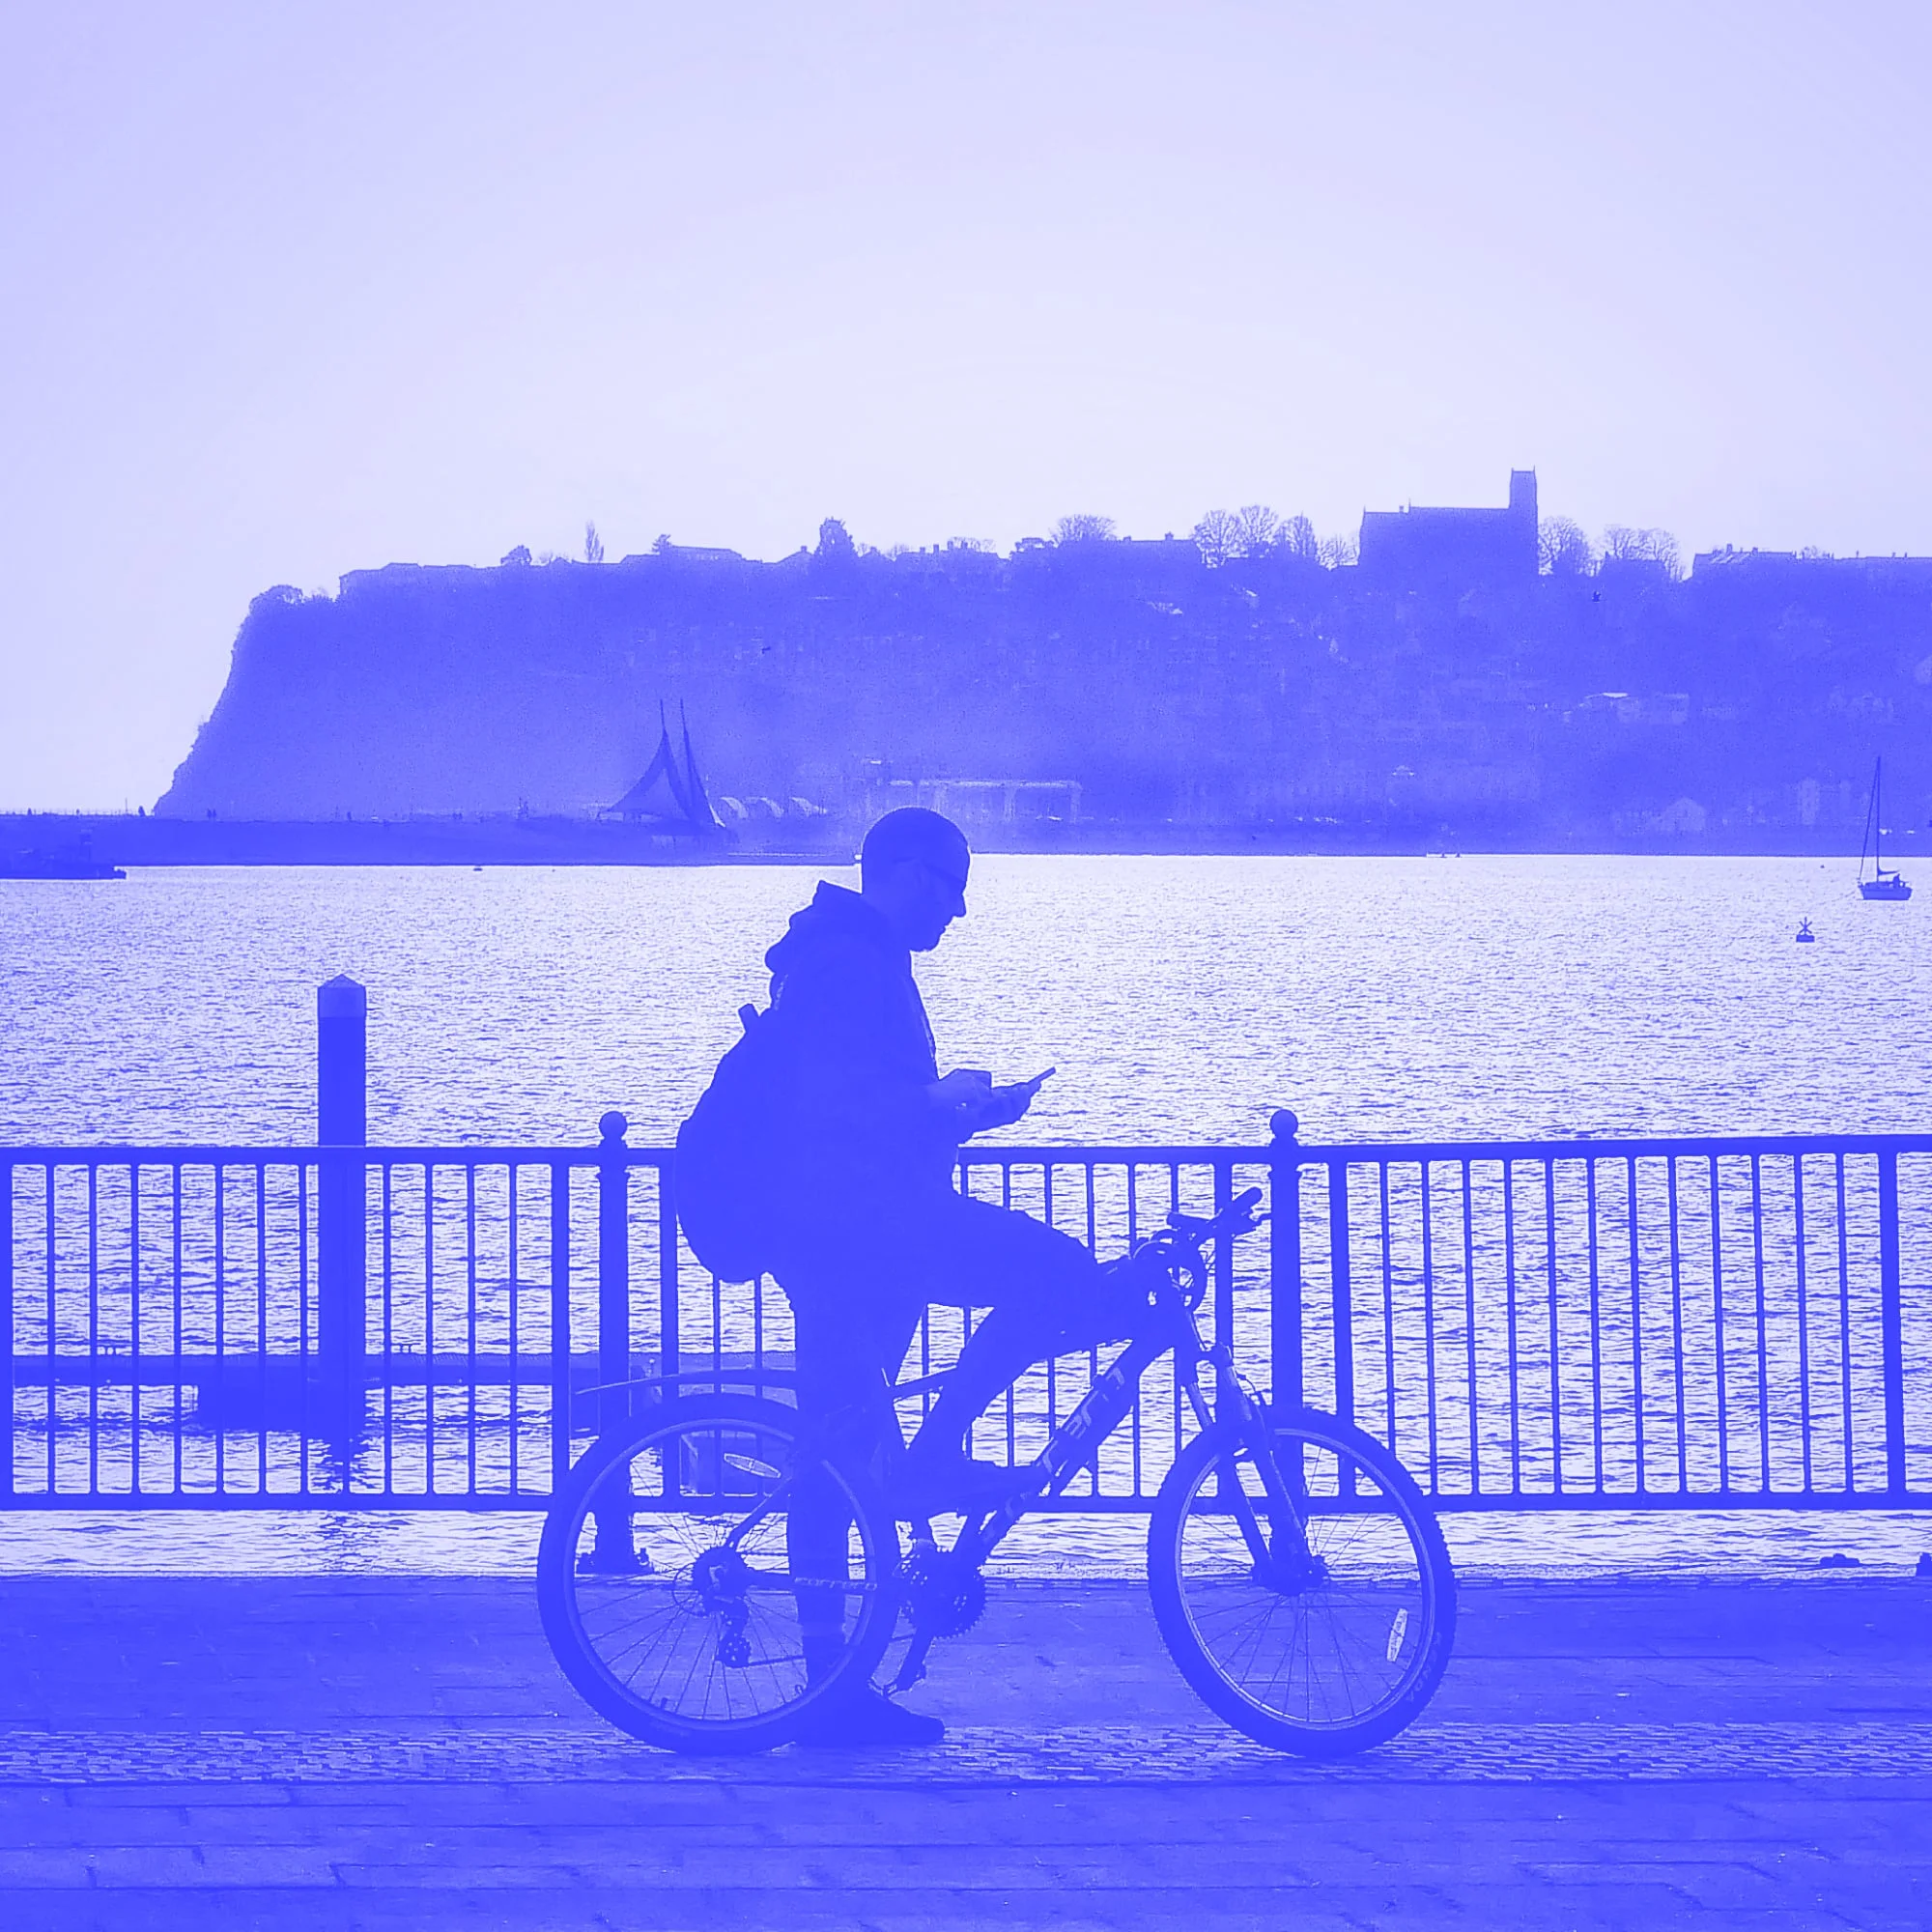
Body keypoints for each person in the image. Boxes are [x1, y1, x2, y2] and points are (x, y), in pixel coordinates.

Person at [757, 807, 1131, 1745]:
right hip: (870, 1228)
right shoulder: (848, 964)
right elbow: (834, 1110)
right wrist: (933, 1098)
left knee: (835, 1446)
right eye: (951, 882)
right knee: (1055, 1271)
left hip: (843, 1230)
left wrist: (959, 1113)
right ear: (903, 870)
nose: (960, 908)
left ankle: (826, 1687)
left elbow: (864, 1113)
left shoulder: (846, 952)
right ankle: (931, 1459)